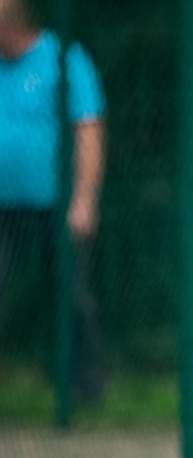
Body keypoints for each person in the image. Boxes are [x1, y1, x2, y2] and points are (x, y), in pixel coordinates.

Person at [0, 0, 105, 406]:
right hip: (3, 209)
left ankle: (86, 387)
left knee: (72, 296)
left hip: (56, 206)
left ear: (13, 27)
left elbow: (89, 131)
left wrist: (84, 199)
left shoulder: (64, 58)